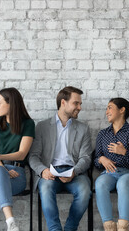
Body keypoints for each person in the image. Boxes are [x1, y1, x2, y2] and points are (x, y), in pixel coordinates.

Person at [29, 86, 92, 231]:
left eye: (80, 104)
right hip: (50, 172)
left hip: (74, 172)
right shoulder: (42, 127)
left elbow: (86, 157)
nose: (80, 107)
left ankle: (70, 229)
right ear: (63, 102)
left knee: (84, 191)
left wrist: (74, 172)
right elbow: (33, 156)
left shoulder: (83, 129)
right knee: (45, 189)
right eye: (76, 103)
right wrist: (43, 171)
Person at [0, 87, 35, 231]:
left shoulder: (28, 124)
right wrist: (3, 169)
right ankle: (10, 220)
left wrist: (0, 157)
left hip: (17, 174)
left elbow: (22, 153)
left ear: (11, 103)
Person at [94, 98, 129, 231]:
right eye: (107, 108)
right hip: (109, 173)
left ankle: (123, 228)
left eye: (110, 107)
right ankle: (109, 227)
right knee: (100, 183)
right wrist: (101, 159)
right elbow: (96, 161)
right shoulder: (103, 134)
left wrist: (124, 152)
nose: (107, 111)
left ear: (122, 110)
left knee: (123, 184)